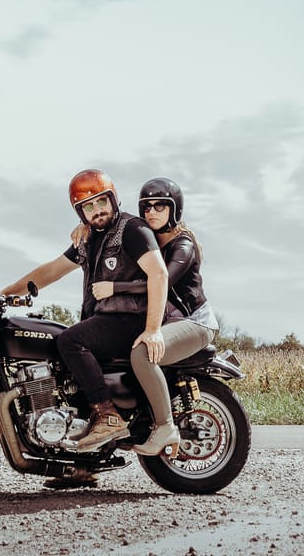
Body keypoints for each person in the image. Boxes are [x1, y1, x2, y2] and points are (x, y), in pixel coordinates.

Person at [1, 169, 168, 456]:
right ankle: (78, 463)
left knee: (69, 341)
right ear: (80, 213)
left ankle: (108, 416)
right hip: (104, 319)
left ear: (113, 200)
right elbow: (51, 271)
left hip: (130, 319)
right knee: (65, 369)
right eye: (88, 207)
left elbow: (159, 274)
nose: (97, 210)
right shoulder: (89, 239)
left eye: (101, 202)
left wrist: (152, 330)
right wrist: (3, 295)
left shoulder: (133, 229)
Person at [71, 177, 217, 456]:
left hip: (193, 322)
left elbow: (160, 280)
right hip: (169, 320)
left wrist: (114, 287)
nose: (152, 212)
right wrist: (87, 226)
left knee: (143, 353)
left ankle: (165, 426)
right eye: (146, 206)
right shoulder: (147, 241)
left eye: (160, 206)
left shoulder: (183, 245)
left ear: (175, 209)